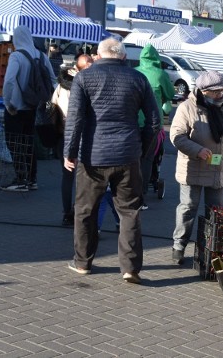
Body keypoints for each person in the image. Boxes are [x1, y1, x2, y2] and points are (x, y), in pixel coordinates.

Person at [64, 37, 161, 283]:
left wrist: (69, 152)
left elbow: (74, 119)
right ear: (124, 56)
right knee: (129, 212)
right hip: (128, 155)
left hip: (92, 155)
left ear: (98, 55)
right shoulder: (139, 79)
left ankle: (83, 263)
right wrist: (142, 150)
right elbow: (154, 121)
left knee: (85, 210)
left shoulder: (83, 78)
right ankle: (130, 269)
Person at [170, 70, 223, 265]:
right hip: (194, 165)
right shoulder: (187, 107)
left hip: (219, 167)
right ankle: (179, 246)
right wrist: (197, 150)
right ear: (203, 91)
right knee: (188, 208)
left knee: (216, 211)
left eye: (222, 90)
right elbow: (176, 136)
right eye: (216, 91)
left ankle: (210, 249)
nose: (221, 94)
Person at [1, 25, 56, 192]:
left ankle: (20, 178)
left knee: (14, 142)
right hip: (34, 107)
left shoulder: (16, 56)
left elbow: (9, 81)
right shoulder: (41, 55)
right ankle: (32, 179)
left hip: (16, 107)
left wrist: (7, 103)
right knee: (28, 141)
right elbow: (53, 80)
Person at [52, 54, 93, 226]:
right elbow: (73, 114)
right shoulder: (78, 84)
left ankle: (68, 211)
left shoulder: (61, 84)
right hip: (74, 133)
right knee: (79, 175)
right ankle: (73, 212)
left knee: (68, 175)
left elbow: (54, 104)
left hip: (63, 133)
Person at [136, 44, 175, 210]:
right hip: (153, 122)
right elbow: (171, 95)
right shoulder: (160, 74)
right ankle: (141, 195)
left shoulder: (135, 72)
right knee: (148, 158)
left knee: (132, 158)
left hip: (133, 120)